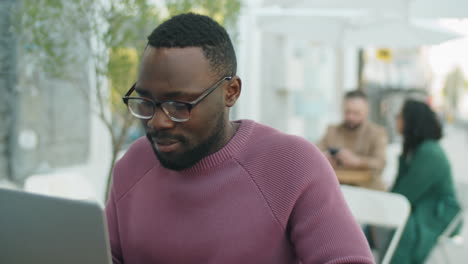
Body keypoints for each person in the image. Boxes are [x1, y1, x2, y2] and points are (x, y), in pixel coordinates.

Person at [105, 13, 374, 264]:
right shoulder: (133, 165)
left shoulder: (291, 165)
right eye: (146, 101)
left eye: (178, 105)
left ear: (231, 92)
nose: (157, 122)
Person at [390, 99, 461, 264]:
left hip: (437, 214)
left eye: (399, 116)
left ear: (411, 121)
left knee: (400, 227)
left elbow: (404, 194)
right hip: (423, 207)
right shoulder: (416, 149)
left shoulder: (430, 152)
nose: (396, 120)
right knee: (386, 219)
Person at [318, 90, 388, 190]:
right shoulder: (332, 131)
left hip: (367, 190)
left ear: (367, 111)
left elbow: (381, 163)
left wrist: (357, 161)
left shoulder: (377, 133)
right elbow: (315, 153)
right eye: (347, 112)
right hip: (337, 188)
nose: (350, 117)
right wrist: (324, 158)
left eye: (356, 113)